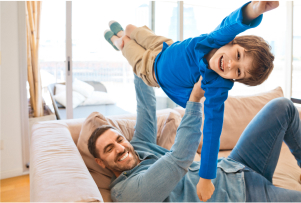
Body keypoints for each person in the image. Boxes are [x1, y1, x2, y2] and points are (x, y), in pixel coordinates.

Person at [104, 2, 279, 200]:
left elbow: (213, 131)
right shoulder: (215, 40)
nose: (230, 64)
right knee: (131, 30)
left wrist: (206, 177)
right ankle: (124, 35)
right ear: (232, 42)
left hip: (150, 70)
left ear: (235, 79)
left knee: (127, 45)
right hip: (164, 46)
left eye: (238, 72)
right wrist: (254, 10)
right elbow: (233, 23)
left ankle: (119, 43)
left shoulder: (214, 86)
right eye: (237, 55)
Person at [87, 74, 301, 202]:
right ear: (101, 163)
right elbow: (179, 160)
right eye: (109, 149)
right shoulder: (127, 192)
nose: (121, 148)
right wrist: (194, 101)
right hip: (245, 195)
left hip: (235, 165)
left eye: (119, 140)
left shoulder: (139, 147)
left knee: (282, 106)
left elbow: (145, 104)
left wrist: (136, 56)